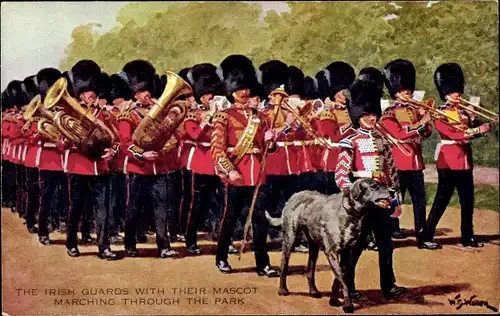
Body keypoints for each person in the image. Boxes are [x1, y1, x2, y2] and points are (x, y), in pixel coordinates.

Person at [335, 79, 407, 300]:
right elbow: (340, 174)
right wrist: (352, 195)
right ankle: (346, 286)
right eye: (366, 114)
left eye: (373, 114)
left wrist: (395, 199)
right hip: (361, 203)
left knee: (386, 245)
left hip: (382, 201)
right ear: (358, 115)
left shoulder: (382, 139)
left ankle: (388, 285)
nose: (371, 118)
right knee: (355, 247)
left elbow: (391, 172)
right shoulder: (351, 140)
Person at [211, 54, 278, 277]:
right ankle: (221, 257)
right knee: (229, 218)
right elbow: (217, 149)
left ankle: (263, 263)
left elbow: (267, 148)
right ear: (230, 90)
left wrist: (271, 140)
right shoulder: (224, 117)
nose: (244, 92)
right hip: (235, 174)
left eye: (246, 87)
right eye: (239, 88)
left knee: (260, 219)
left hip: (257, 174)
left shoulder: (261, 117)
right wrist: (230, 170)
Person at [418, 63, 491, 249]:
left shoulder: (464, 111)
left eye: (458, 91)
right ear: (446, 93)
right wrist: (478, 130)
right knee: (441, 201)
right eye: (453, 92)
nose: (457, 94)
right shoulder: (441, 112)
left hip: (465, 162)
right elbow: (453, 135)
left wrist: (477, 119)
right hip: (449, 162)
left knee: (468, 202)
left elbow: (475, 127)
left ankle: (468, 236)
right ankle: (426, 235)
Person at [118, 59, 179, 258]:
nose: (147, 94)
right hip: (138, 168)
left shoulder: (159, 113)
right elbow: (125, 143)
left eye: (148, 90)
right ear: (135, 93)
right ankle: (130, 244)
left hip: (159, 167)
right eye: (142, 91)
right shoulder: (128, 114)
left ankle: (164, 246)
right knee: (133, 208)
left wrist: (163, 151)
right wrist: (142, 154)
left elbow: (173, 136)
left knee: (162, 208)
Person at [378, 60, 438, 247]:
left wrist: (424, 118)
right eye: (404, 91)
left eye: (409, 90)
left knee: (420, 202)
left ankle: (422, 237)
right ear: (396, 92)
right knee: (395, 201)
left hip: (415, 163)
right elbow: (398, 134)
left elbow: (426, 132)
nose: (408, 93)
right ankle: (389, 232)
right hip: (398, 163)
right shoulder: (389, 113)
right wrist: (420, 123)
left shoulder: (414, 110)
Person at [62, 59, 117, 260]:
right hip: (79, 167)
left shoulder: (105, 115)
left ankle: (104, 247)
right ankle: (71, 243)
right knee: (76, 208)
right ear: (80, 93)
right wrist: (73, 140)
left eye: (93, 91)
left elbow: (116, 140)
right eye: (86, 91)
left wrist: (113, 153)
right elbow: (61, 143)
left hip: (101, 168)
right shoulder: (70, 114)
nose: (90, 94)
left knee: (103, 210)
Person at [181, 63, 224, 255]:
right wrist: (208, 119)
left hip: (218, 162)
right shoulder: (194, 114)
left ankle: (222, 239)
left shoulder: (223, 114)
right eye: (208, 95)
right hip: (201, 162)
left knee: (221, 205)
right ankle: (191, 240)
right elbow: (195, 135)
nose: (212, 98)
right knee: (197, 204)